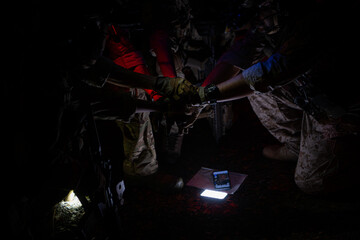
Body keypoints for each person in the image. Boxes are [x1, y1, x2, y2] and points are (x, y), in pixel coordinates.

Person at [196, 0, 360, 195]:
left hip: (345, 109)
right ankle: (300, 146)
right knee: (249, 75)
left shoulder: (319, 17)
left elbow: (271, 72)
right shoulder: (273, 18)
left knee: (312, 182)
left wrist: (204, 97)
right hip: (320, 94)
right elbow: (241, 54)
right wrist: (199, 95)